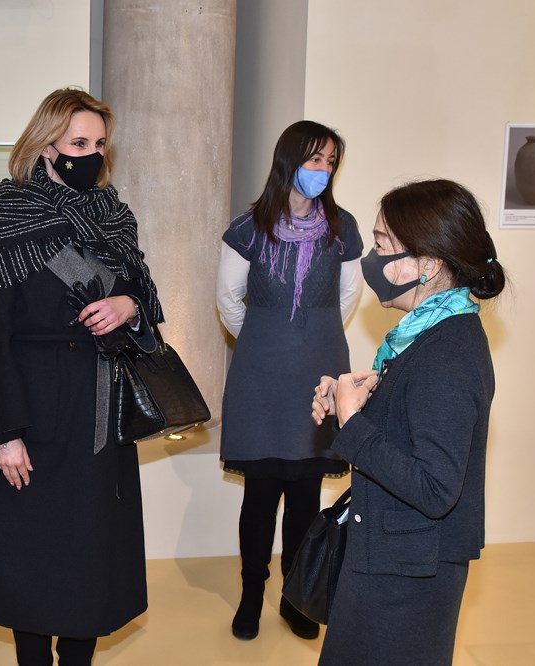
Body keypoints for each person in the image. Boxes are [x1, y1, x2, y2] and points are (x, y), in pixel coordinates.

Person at [0, 87, 162, 666]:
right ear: (46, 147)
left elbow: (142, 292)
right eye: (78, 143)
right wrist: (3, 434)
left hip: (100, 417)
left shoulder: (113, 215)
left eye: (99, 144)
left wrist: (129, 306)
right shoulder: (3, 218)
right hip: (32, 414)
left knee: (89, 558)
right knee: (32, 559)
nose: (91, 154)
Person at [311, 179, 505, 665]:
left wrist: (353, 422)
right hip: (391, 561)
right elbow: (402, 437)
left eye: (382, 245)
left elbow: (435, 488)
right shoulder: (423, 335)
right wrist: (346, 408)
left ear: (428, 264)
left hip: (408, 579)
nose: (371, 259)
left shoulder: (449, 353)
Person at [216, 120, 363, 641]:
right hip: (260, 377)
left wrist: (309, 336)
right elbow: (228, 301)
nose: (323, 169)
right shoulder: (247, 227)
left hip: (319, 374)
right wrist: (267, 335)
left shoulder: (343, 228)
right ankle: (251, 595)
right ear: (288, 160)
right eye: (314, 158)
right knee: (260, 495)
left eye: (330, 161)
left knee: (305, 495)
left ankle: (296, 598)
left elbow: (348, 299)